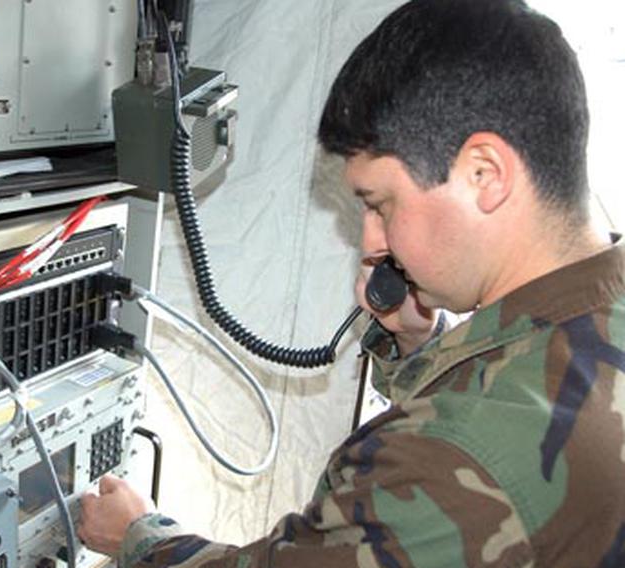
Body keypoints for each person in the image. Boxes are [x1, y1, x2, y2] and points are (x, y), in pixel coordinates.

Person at [78, 0, 625, 565]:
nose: (370, 243)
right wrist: (420, 349)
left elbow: (468, 462)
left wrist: (138, 537)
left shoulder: (444, 453)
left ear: (484, 174)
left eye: (381, 205)